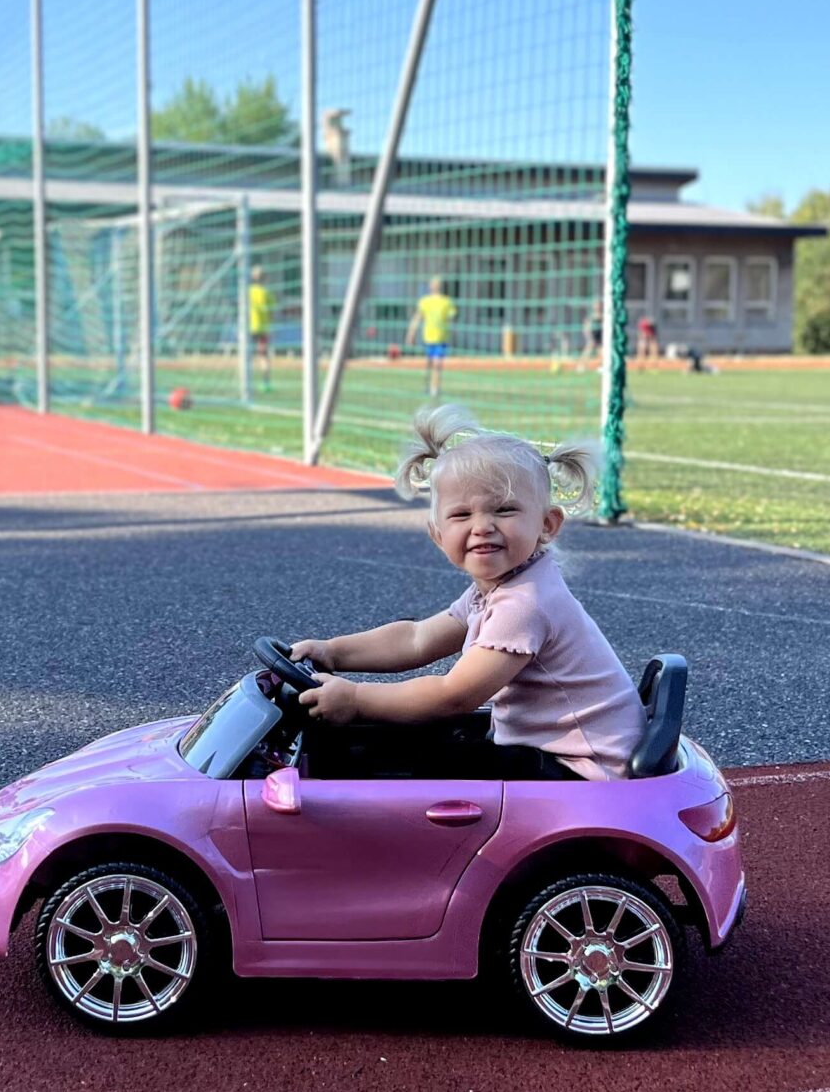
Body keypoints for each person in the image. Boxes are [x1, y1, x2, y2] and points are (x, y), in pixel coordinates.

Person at [291, 405, 645, 780]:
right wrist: (334, 651)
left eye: (504, 510)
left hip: (585, 773)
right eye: (462, 515)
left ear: (547, 524)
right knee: (417, 746)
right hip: (552, 753)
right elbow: (417, 639)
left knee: (419, 767)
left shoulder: (525, 604)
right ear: (438, 535)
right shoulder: (503, 587)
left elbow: (455, 696)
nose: (482, 527)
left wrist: (357, 701)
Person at [406, 275, 458, 398]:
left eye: (437, 283)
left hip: (441, 337)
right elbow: (417, 318)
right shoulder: (425, 301)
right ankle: (428, 385)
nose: (435, 285)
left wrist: (454, 334)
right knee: (430, 363)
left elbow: (452, 319)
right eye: (433, 283)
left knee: (437, 363)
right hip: (429, 337)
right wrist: (411, 334)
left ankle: (435, 390)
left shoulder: (447, 302)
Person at [246, 266, 274, 368]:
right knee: (263, 354)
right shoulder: (267, 293)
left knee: (248, 353)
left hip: (251, 326)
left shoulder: (249, 292)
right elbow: (271, 312)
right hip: (263, 328)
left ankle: (247, 376)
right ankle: (265, 381)